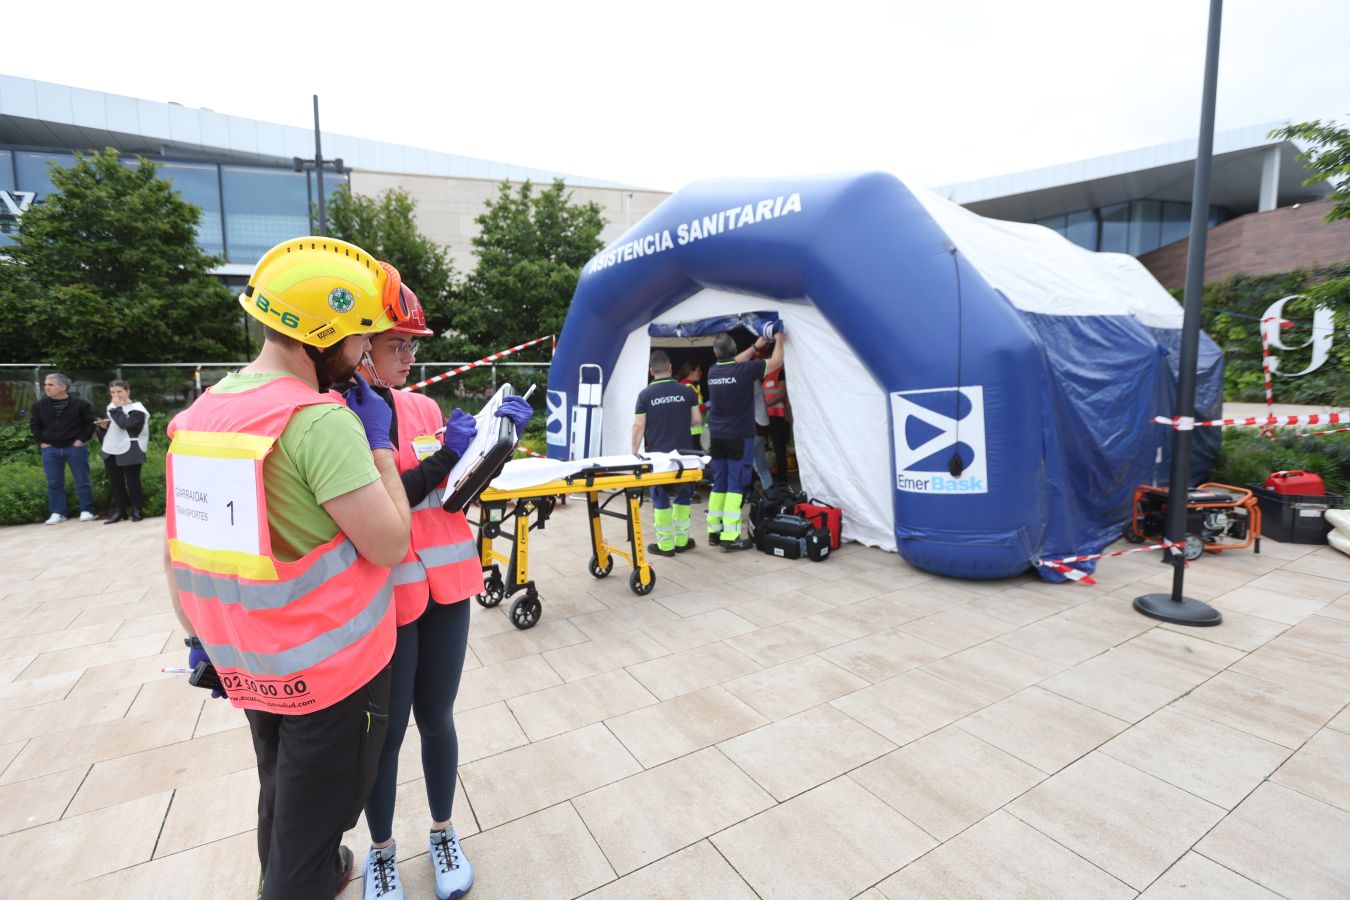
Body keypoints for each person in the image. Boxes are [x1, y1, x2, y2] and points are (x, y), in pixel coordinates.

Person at [163, 237, 414, 900]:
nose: (366, 353)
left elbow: (179, 552)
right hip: (332, 678)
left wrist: (203, 640)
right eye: (361, 337)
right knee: (312, 832)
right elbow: (389, 543)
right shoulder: (318, 419)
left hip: (249, 667)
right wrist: (380, 446)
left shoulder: (200, 415)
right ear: (322, 332)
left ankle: (305, 874)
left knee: (280, 798)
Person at [353, 285, 533, 900]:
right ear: (360, 349)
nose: (407, 354)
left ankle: (443, 831)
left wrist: (493, 450)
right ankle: (381, 853)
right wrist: (443, 461)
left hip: (450, 584)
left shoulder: (425, 409)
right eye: (395, 343)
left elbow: (450, 492)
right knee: (387, 730)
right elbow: (381, 502)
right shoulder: (340, 416)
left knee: (438, 718)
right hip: (391, 595)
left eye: (411, 344)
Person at [705, 327, 786, 550]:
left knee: (719, 483)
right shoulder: (746, 371)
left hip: (717, 437)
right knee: (736, 484)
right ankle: (731, 537)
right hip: (739, 437)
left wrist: (754, 347)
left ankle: (714, 531)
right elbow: (777, 362)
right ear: (734, 350)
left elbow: (732, 361)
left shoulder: (713, 371)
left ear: (716, 353)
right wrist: (778, 339)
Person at [631, 350, 702, 556]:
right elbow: (697, 419)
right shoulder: (687, 391)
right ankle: (681, 540)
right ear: (670, 368)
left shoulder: (645, 395)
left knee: (660, 497)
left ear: (651, 371)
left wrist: (634, 453)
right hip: (683, 456)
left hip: (658, 458)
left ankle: (665, 546)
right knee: (683, 495)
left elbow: (638, 427)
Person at [30, 372, 97, 524]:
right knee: (54, 483)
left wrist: (80, 440)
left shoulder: (81, 404)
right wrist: (41, 443)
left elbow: (89, 423)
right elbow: (34, 425)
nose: (46, 387)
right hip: (50, 449)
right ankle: (58, 512)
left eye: (50, 385)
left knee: (82, 480)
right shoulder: (39, 406)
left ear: (63, 387)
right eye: (46, 385)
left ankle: (87, 510)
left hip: (75, 448)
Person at [96, 380, 149, 523]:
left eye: (119, 391)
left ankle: (137, 510)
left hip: (131, 448)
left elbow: (127, 425)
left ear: (128, 391)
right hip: (111, 448)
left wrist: (117, 410)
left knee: (133, 482)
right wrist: (102, 427)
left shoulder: (138, 409)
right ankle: (120, 511)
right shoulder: (111, 407)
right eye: (113, 392)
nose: (116, 395)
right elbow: (112, 431)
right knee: (116, 482)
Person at [762, 366, 791, 484]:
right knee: (765, 448)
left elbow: (783, 392)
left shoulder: (780, 373)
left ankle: (782, 480)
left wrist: (766, 404)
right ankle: (771, 476)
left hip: (778, 416)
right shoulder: (765, 377)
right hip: (765, 417)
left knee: (779, 449)